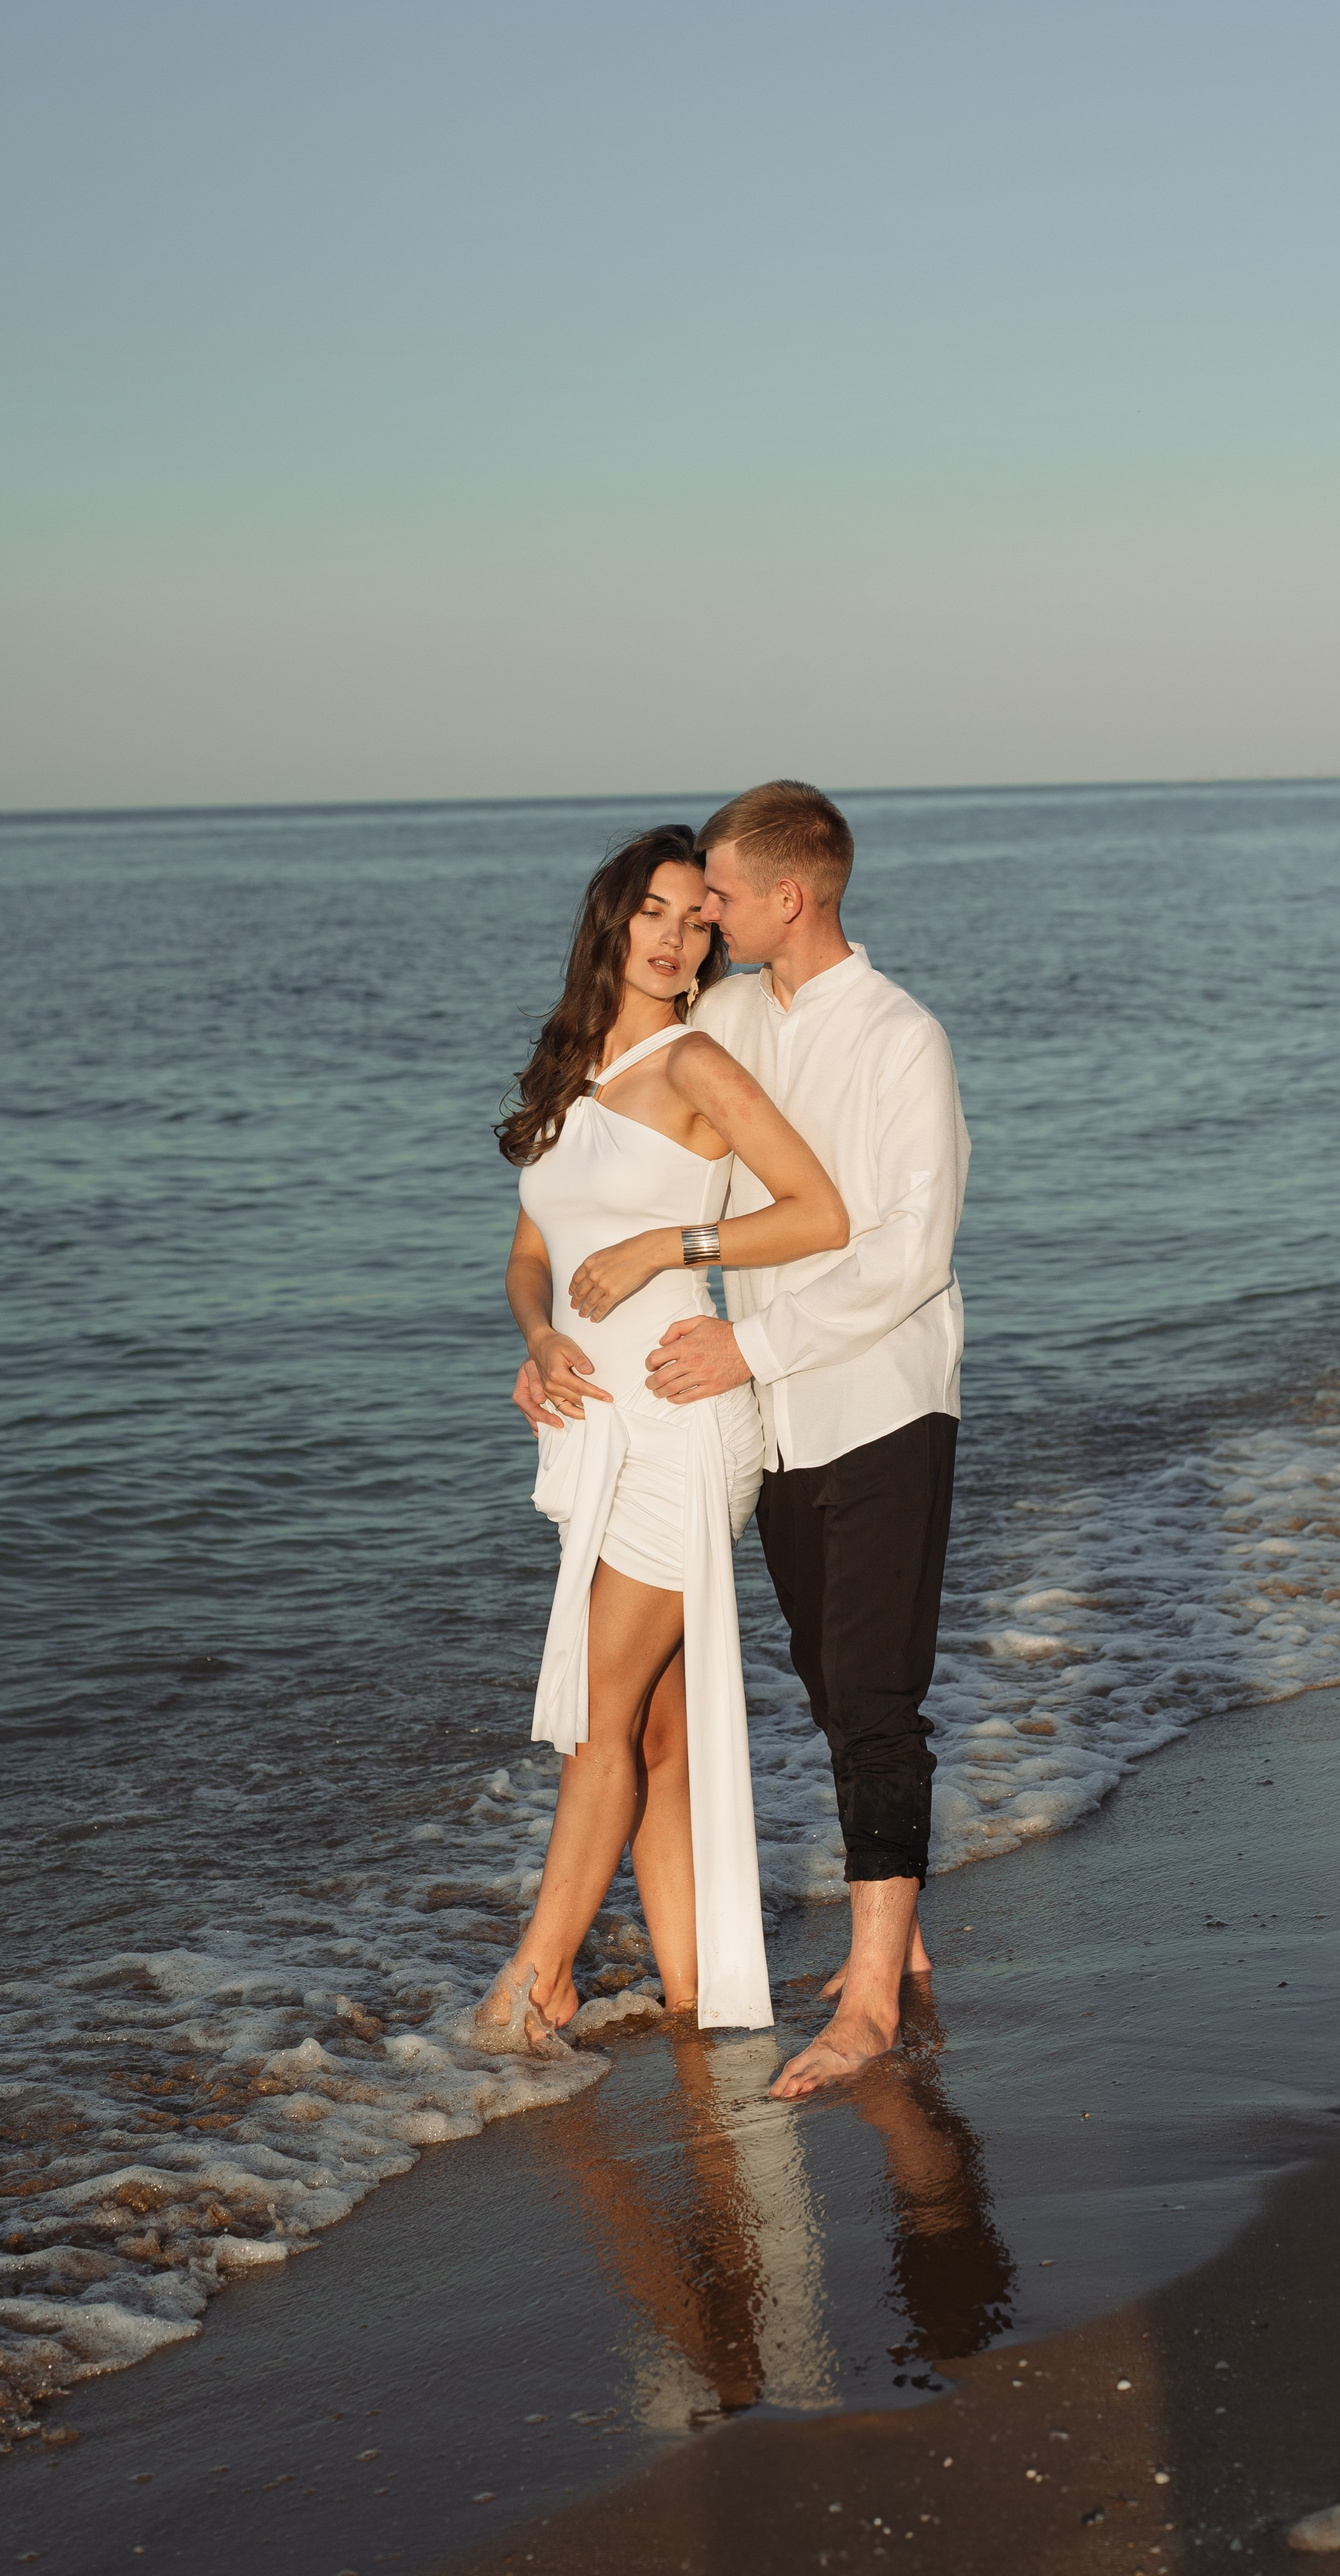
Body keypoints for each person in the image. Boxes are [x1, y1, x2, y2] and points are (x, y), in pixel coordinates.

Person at [483, 825, 848, 2050]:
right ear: (612, 918)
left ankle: (538, 1980)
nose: (674, 934)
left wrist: (668, 1248)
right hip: (601, 1430)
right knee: (653, 1733)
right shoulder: (570, 1068)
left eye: (698, 918)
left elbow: (819, 1212)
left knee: (597, 1714)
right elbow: (535, 1251)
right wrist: (537, 1340)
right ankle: (699, 1992)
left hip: (687, 1425)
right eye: (654, 909)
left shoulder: (697, 1066)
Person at [643, 781, 969, 2101]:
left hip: (885, 1398)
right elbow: (676, 1172)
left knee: (877, 1698)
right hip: (772, 1419)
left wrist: (751, 1344)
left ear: (791, 896)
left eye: (718, 891)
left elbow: (911, 1252)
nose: (705, 914)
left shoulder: (902, 1039)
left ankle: (875, 2003)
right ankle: (899, 1936)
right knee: (830, 1688)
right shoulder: (722, 1018)